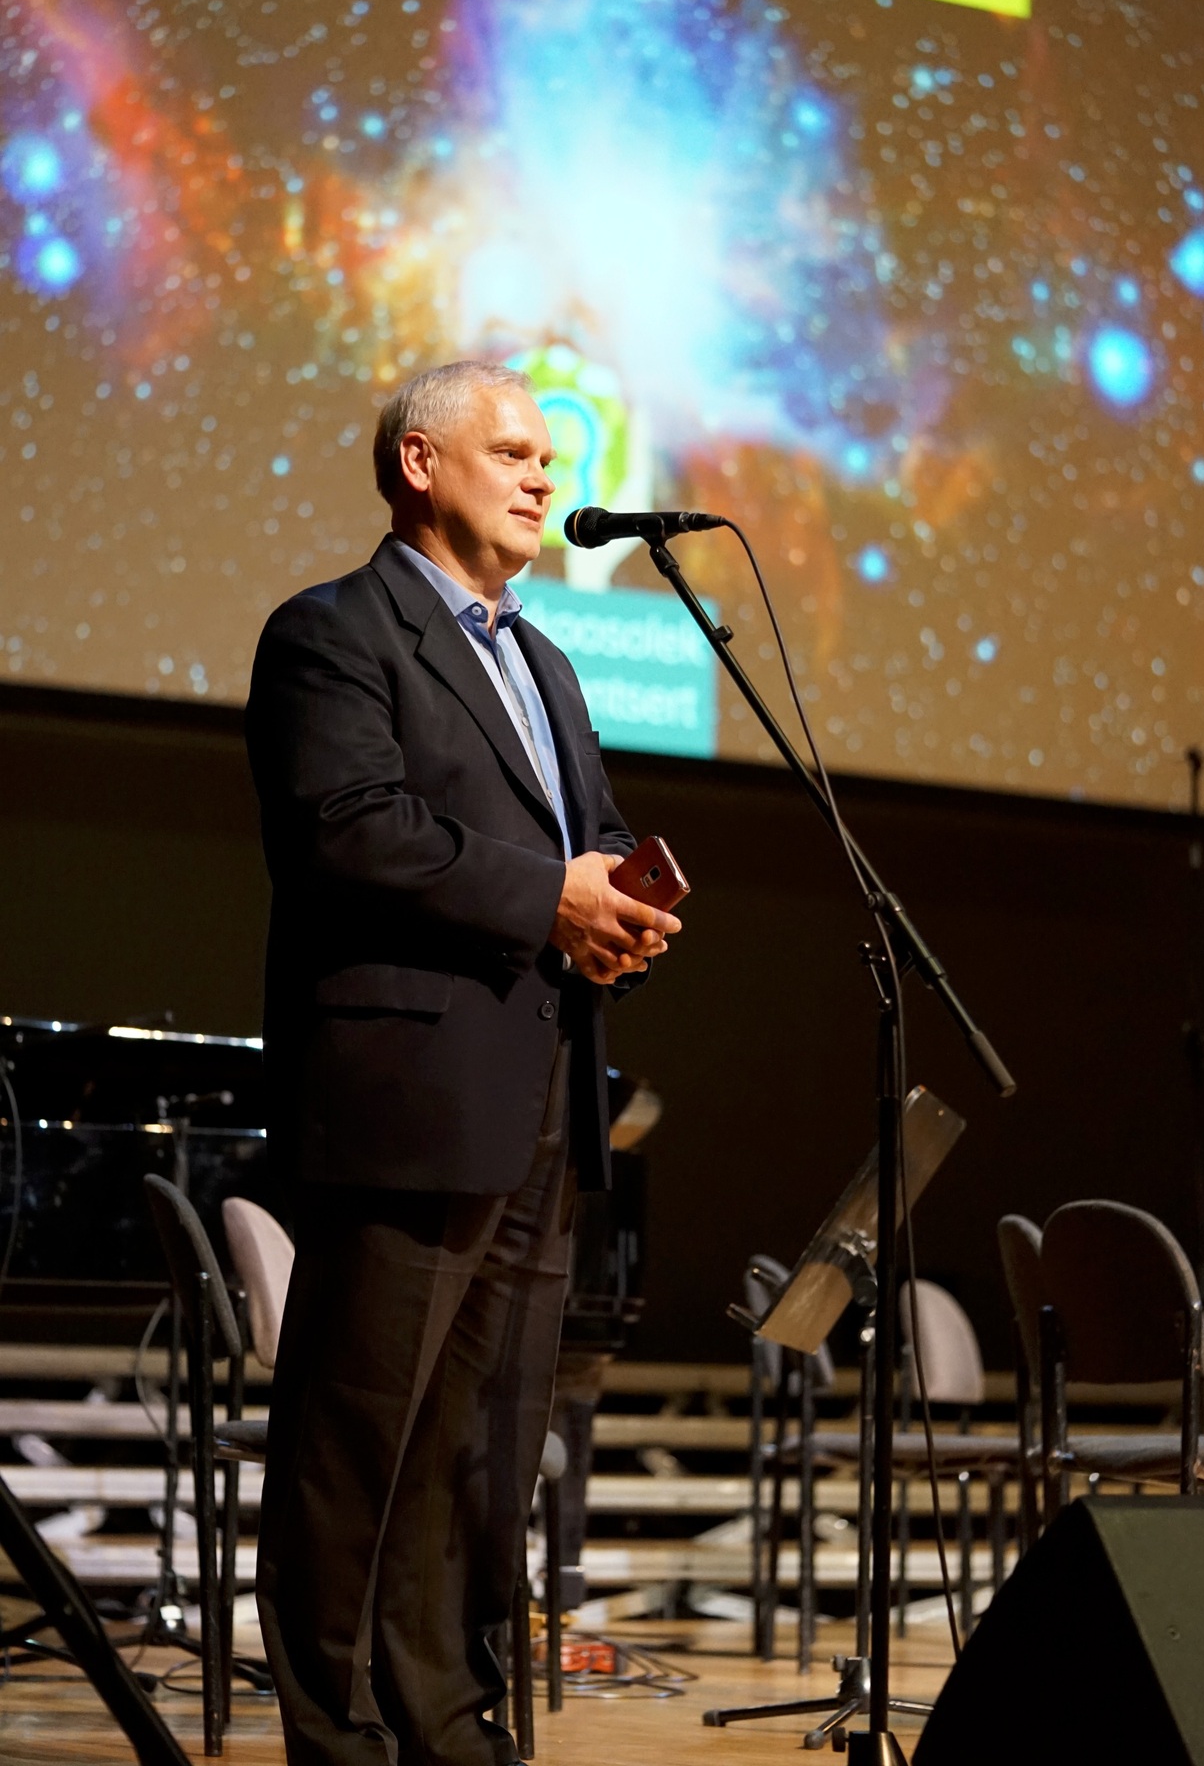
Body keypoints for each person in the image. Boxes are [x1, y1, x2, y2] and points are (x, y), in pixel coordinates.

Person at [244, 360, 680, 1766]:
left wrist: (617, 909)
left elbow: (589, 834)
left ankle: (443, 1727)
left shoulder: (547, 661)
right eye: (514, 452)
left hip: (538, 1095)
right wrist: (551, 897)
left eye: (549, 457)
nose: (545, 477)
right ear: (420, 464)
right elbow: (351, 831)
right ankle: (337, 1738)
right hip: (405, 1100)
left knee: (473, 1452)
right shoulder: (332, 633)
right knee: (357, 1441)